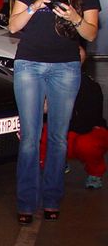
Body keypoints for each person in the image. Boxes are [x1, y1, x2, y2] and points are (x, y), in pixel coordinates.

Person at [8, 0, 101, 224]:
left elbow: (91, 33)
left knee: (59, 138)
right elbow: (13, 26)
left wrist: (74, 17)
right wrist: (36, 5)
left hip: (66, 67)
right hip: (29, 65)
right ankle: (26, 203)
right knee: (29, 138)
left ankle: (51, 199)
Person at [40, 47, 107, 190]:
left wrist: (53, 111)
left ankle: (95, 172)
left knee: (86, 144)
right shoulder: (49, 82)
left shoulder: (89, 87)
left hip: (86, 130)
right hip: (67, 127)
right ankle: (53, 167)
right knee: (39, 134)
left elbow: (86, 124)